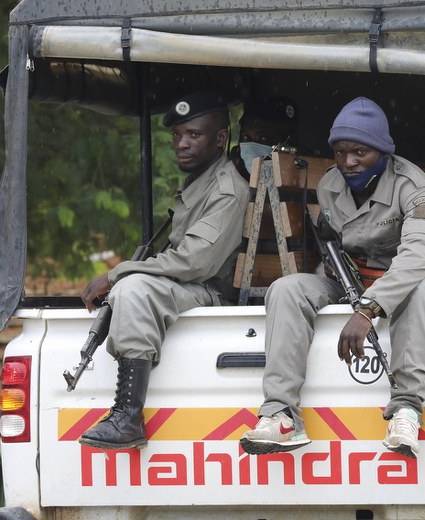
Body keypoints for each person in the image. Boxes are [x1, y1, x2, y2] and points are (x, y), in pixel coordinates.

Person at [240, 96, 425, 458]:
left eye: (360, 152)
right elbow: (333, 239)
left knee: (423, 288)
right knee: (287, 289)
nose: (348, 162)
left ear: (383, 151)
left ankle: (406, 410)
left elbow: (418, 256)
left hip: (408, 286)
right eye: (340, 152)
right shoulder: (330, 185)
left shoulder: (414, 189)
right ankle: (281, 415)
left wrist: (368, 310)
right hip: (352, 282)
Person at [78, 91, 250, 450]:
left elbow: (194, 262)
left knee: (133, 289)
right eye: (177, 135)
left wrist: (116, 274)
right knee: (132, 286)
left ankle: (127, 417)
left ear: (221, 138)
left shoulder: (226, 190)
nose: (181, 144)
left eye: (194, 135)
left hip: (211, 292)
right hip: (191, 287)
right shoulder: (200, 181)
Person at [230, 96, 299, 181]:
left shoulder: (303, 181)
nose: (252, 148)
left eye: (264, 139)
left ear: (286, 141)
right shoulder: (233, 179)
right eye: (246, 138)